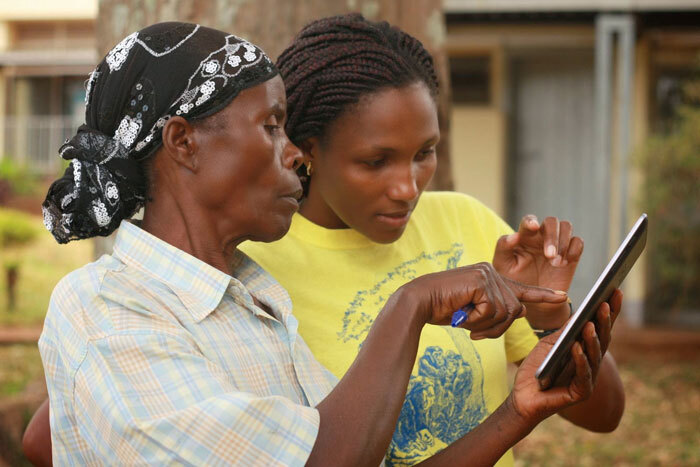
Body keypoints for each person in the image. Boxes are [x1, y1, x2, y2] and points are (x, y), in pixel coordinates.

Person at [28, 22, 617, 466]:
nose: (292, 154)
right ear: (183, 142)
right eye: (271, 127)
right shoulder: (112, 311)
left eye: (424, 152)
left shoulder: (254, 298)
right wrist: (411, 304)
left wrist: (518, 407)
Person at [239, 13, 625, 466]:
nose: (408, 188)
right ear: (306, 150)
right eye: (376, 161)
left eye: (424, 153)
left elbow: (606, 414)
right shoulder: (257, 271)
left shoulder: (465, 220)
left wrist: (553, 315)